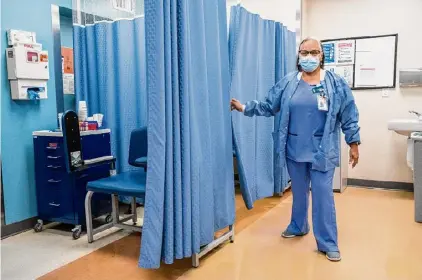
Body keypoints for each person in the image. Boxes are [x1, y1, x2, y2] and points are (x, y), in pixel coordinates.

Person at [230, 37, 360, 262]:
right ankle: (298, 225)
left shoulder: (335, 83)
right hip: (294, 149)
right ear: (298, 56)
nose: (309, 57)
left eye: (314, 52)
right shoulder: (289, 82)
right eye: (304, 52)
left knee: (322, 196)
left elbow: (348, 114)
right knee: (299, 193)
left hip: (322, 150)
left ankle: (328, 242)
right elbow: (269, 105)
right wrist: (244, 108)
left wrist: (354, 143)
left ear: (321, 55)